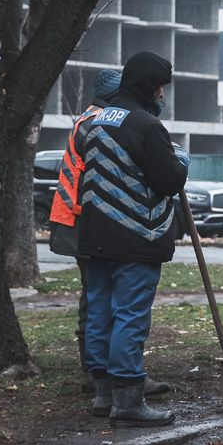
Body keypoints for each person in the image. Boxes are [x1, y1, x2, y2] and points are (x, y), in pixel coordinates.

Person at [77, 51, 189, 425]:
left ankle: (104, 394)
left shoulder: (96, 122)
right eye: (160, 87)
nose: (162, 94)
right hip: (136, 234)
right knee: (130, 315)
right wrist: (180, 161)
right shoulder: (145, 125)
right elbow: (169, 180)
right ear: (149, 87)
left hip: (96, 235)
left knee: (101, 311)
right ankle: (127, 401)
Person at [48, 69, 170, 409]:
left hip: (91, 217)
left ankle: (107, 379)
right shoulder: (97, 122)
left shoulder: (96, 118)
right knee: (101, 300)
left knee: (101, 298)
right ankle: (105, 376)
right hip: (84, 218)